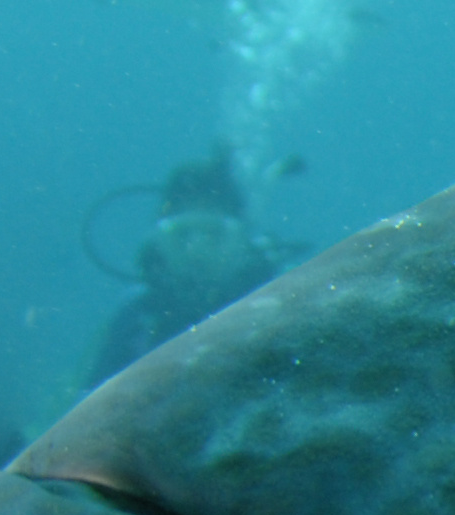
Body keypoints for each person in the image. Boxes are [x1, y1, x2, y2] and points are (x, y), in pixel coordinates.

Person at [81, 150, 299, 387]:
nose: (197, 251)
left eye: (214, 235)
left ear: (243, 244)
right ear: (159, 245)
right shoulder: (136, 318)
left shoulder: (286, 305)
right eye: (182, 235)